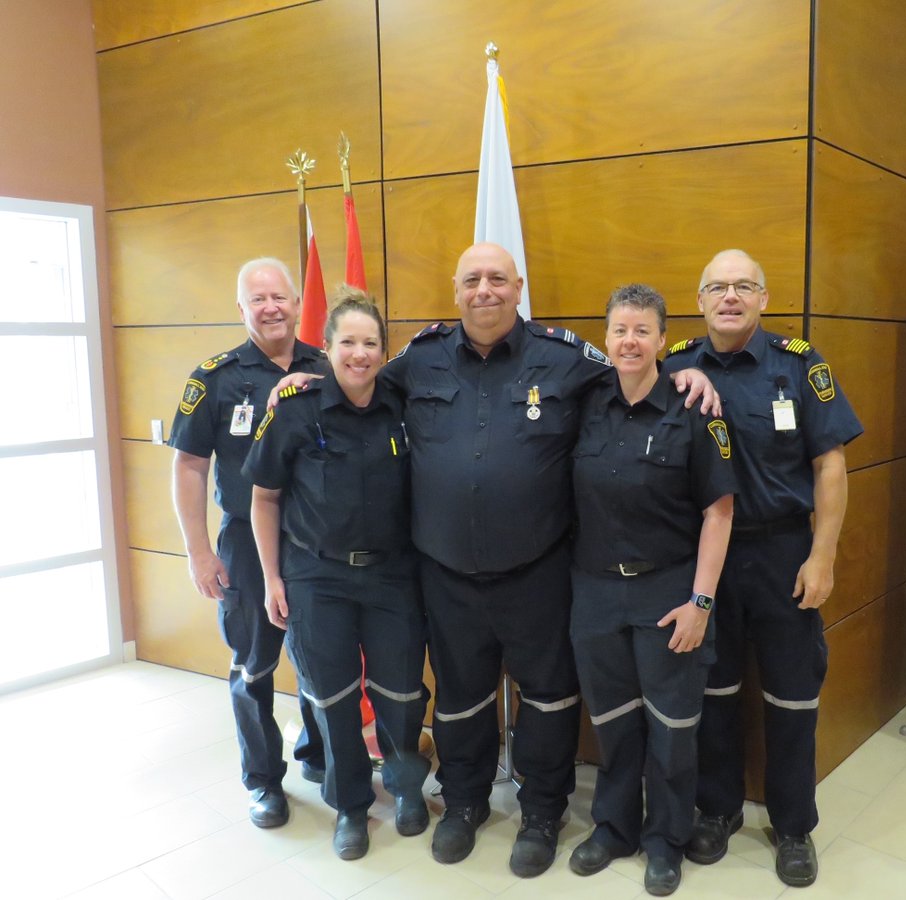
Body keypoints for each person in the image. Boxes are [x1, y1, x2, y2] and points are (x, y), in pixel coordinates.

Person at [268, 241, 717, 878]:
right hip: (444, 574)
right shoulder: (418, 360)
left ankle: (540, 812)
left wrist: (684, 374)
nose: (486, 289)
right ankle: (465, 803)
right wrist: (310, 377)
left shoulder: (565, 360)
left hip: (538, 571)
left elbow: (634, 374)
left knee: (547, 699)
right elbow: (356, 378)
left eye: (498, 279)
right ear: (457, 289)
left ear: (519, 286)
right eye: (473, 279)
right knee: (460, 698)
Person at [662, 249, 863, 888]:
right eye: (716, 287)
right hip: (706, 558)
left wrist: (823, 555)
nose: (729, 296)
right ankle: (717, 810)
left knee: (793, 693)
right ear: (699, 300)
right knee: (712, 690)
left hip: (782, 553)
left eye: (742, 286)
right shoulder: (674, 368)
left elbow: (830, 465)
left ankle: (794, 824)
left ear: (763, 297)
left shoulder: (801, 365)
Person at [243, 291, 431, 860]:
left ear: (383, 350)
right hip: (316, 576)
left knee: (401, 691)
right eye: (346, 341)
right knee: (332, 696)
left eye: (370, 342)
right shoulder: (296, 408)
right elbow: (264, 499)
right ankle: (349, 804)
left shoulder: (404, 404)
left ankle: (403, 786)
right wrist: (273, 579)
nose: (359, 353)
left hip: (393, 574)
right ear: (324, 349)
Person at [566, 284, 735, 896]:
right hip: (594, 591)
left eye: (642, 330)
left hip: (670, 593)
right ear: (605, 339)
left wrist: (701, 603)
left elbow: (720, 512)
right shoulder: (584, 401)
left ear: (665, 340)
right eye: (618, 330)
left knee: (672, 725)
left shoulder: (695, 407)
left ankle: (666, 837)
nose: (629, 341)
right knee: (612, 719)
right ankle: (614, 827)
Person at [169, 258, 325, 829]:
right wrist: (197, 550)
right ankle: (263, 781)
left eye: (279, 296)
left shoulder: (325, 367)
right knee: (254, 667)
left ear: (296, 300)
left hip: (313, 542)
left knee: (319, 659)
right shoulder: (214, 378)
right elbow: (188, 466)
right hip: (242, 541)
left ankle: (318, 755)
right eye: (257, 300)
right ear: (242, 309)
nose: (271, 307)